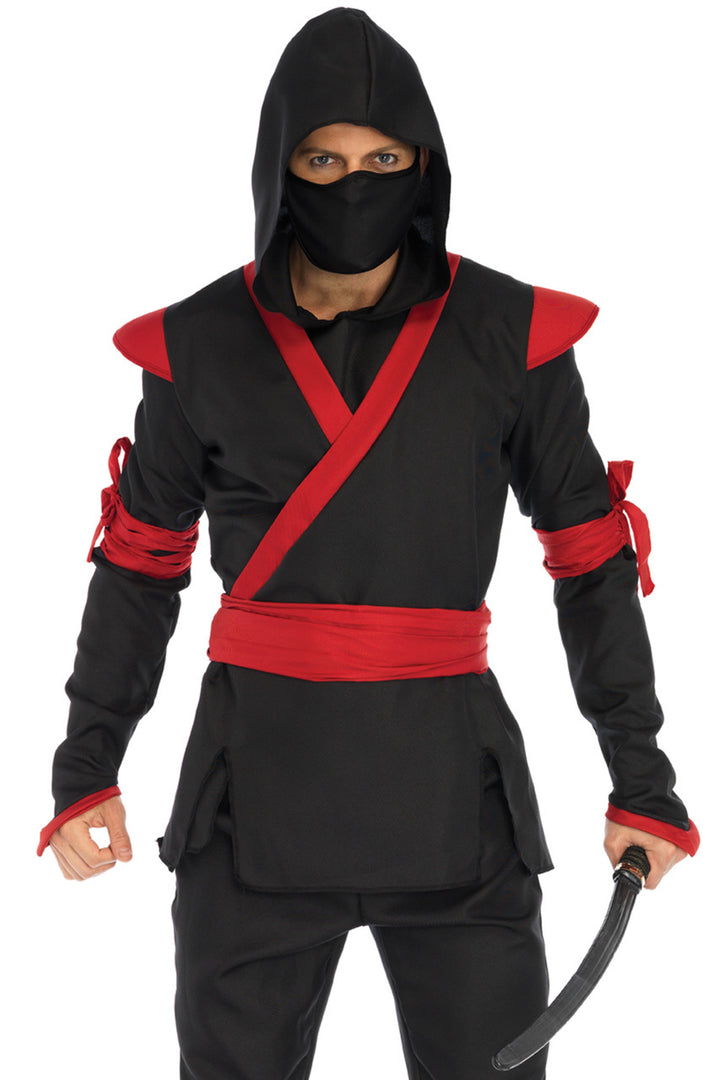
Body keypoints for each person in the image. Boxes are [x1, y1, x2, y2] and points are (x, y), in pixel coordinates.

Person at [37, 8, 699, 1079]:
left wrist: (642, 777)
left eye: (384, 159)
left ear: (425, 165)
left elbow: (590, 561)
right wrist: (86, 766)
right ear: (279, 168)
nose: (356, 182)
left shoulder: (509, 335)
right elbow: (140, 566)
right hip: (250, 802)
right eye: (324, 159)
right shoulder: (198, 344)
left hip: (458, 803)